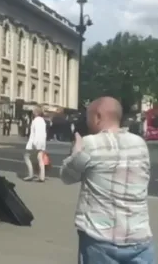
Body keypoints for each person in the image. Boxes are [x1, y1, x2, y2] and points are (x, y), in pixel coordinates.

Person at [60, 97, 154, 263]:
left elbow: (67, 177)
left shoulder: (90, 144)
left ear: (97, 116)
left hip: (100, 238)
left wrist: (76, 154)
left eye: (88, 116)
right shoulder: (140, 144)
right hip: (139, 237)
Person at [23, 106, 47, 182]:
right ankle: (42, 176)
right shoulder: (43, 121)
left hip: (34, 142)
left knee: (26, 157)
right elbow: (43, 133)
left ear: (36, 113)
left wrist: (34, 143)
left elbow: (36, 133)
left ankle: (30, 174)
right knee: (40, 158)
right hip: (42, 142)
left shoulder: (35, 121)